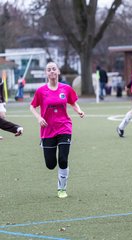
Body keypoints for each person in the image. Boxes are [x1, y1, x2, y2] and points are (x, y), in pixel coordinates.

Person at [30, 62, 85, 198]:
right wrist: (38, 118)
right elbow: (32, 106)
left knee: (63, 159)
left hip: (64, 127)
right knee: (50, 164)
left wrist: (79, 110)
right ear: (46, 73)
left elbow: (72, 102)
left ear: (58, 71)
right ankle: (44, 145)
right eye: (49, 70)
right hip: (47, 130)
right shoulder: (41, 91)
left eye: (54, 69)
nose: (52, 71)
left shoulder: (66, 88)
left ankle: (62, 188)